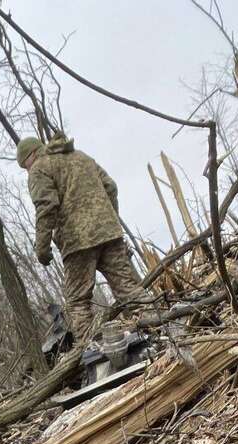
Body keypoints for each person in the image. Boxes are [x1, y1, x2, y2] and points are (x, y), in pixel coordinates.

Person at [16, 133, 145, 344]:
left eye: (25, 165)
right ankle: (158, 328)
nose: (27, 170)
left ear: (31, 155)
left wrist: (42, 248)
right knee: (129, 289)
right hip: (109, 234)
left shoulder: (39, 168)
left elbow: (47, 206)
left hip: (77, 241)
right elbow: (110, 186)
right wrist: (109, 220)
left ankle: (92, 349)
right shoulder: (80, 156)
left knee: (78, 302)